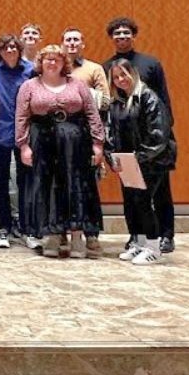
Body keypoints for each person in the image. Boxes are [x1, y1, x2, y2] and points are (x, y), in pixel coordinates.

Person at [15, 45, 105, 259]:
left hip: (75, 144)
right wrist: (24, 146)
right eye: (48, 59)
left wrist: (98, 143)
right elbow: (21, 117)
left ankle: (76, 236)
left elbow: (92, 114)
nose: (52, 63)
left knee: (76, 185)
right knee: (48, 187)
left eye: (57, 59)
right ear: (41, 63)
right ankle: (53, 235)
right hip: (43, 144)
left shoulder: (78, 84)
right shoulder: (29, 86)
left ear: (64, 63)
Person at [101, 16, 175, 254]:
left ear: (133, 35)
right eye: (117, 33)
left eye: (126, 32)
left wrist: (159, 141)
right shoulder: (107, 68)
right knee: (133, 197)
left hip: (151, 150)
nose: (121, 36)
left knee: (158, 194)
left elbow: (163, 101)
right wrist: (112, 152)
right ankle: (138, 238)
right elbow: (110, 117)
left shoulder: (150, 64)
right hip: (128, 152)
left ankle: (164, 237)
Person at [62, 26, 110, 258]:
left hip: (87, 134)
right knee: (62, 186)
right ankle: (63, 231)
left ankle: (91, 234)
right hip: (62, 138)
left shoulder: (94, 69)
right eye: (68, 40)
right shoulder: (56, 67)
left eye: (76, 40)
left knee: (87, 187)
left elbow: (105, 101)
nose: (72, 43)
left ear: (83, 44)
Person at [0, 35, 34, 249]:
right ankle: (3, 229)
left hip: (27, 135)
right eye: (6, 47)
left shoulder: (31, 69)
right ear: (0, 51)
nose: (11, 50)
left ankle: (26, 228)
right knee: (1, 183)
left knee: (27, 183)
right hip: (1, 133)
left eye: (14, 46)